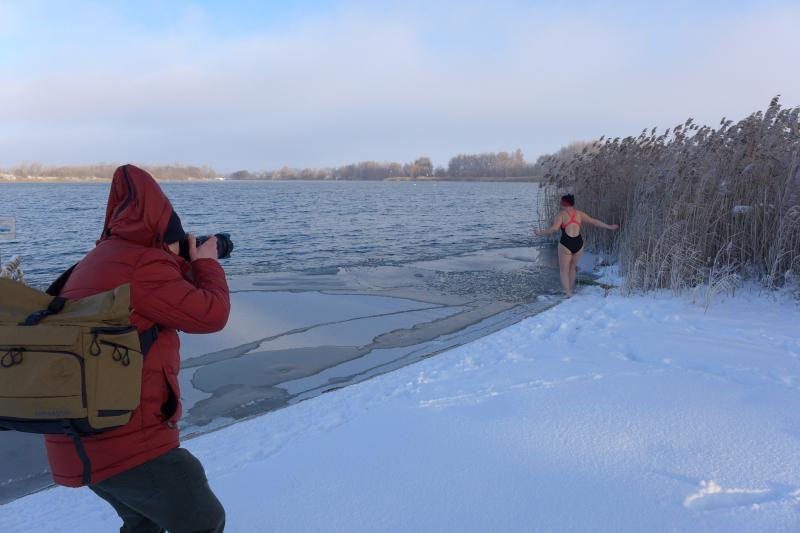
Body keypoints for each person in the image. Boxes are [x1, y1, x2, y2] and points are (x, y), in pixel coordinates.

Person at [44, 164, 230, 532]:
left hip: (80, 440)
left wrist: (184, 264)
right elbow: (213, 314)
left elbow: (155, 293)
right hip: (127, 443)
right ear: (162, 237)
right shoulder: (143, 266)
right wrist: (207, 263)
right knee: (203, 519)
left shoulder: (103, 259)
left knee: (144, 523)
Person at [535, 194, 619, 298]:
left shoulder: (561, 215)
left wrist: (540, 233)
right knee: (572, 268)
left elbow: (554, 229)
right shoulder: (579, 214)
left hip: (566, 243)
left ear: (563, 203)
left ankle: (568, 293)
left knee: (564, 270)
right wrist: (610, 227)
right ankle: (571, 289)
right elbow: (594, 222)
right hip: (578, 243)